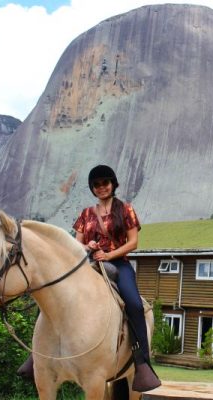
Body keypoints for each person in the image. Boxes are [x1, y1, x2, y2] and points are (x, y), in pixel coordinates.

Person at [72, 164, 161, 393]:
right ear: (92, 188)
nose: (101, 187)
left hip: (119, 265)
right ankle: (37, 357)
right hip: (90, 264)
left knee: (133, 303)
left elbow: (133, 243)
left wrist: (109, 254)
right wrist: (88, 245)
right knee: (60, 294)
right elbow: (76, 243)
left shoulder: (126, 209)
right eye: (97, 184)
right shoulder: (86, 214)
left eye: (105, 183)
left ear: (113, 184)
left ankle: (142, 363)